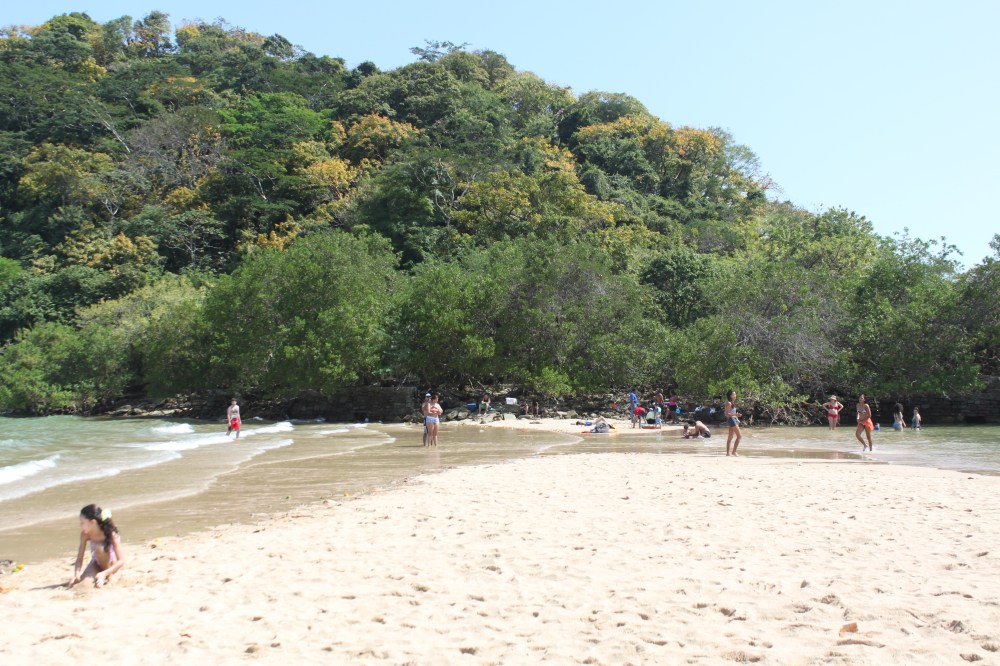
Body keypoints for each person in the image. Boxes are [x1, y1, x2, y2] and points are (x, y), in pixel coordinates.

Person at [69, 504, 125, 589]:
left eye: (82, 523)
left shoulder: (110, 534)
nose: (80, 526)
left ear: (93, 522)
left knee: (99, 548)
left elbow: (121, 561)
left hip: (111, 565)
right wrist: (77, 574)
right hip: (96, 562)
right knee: (83, 583)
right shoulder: (85, 534)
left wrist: (104, 573)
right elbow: (80, 558)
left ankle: (108, 575)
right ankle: (100, 574)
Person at [725, 390, 741, 456]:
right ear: (730, 396)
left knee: (730, 437)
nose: (735, 396)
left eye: (735, 394)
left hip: (733, 419)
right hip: (731, 420)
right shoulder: (728, 403)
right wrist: (735, 415)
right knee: (739, 436)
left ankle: (728, 453)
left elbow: (732, 413)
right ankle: (734, 452)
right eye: (734, 394)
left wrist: (737, 418)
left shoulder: (732, 403)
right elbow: (727, 414)